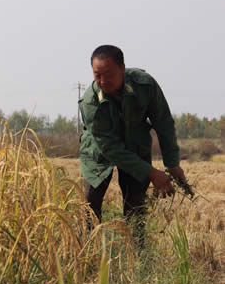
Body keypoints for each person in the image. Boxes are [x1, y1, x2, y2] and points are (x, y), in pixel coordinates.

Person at [78, 45, 186, 247]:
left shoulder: (145, 85)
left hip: (135, 145)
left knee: (135, 202)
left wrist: (172, 163)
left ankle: (137, 255)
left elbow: (163, 123)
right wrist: (152, 173)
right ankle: (88, 253)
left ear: (123, 68)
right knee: (91, 201)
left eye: (108, 74)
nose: (102, 81)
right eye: (97, 75)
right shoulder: (91, 102)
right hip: (99, 150)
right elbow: (110, 149)